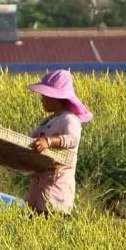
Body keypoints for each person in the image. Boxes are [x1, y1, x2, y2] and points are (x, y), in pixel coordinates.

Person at [25, 69, 92, 215]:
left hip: (56, 197)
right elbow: (29, 143)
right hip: (38, 194)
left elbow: (71, 139)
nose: (42, 99)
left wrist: (48, 141)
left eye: (45, 95)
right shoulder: (47, 122)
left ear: (56, 98)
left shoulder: (70, 119)